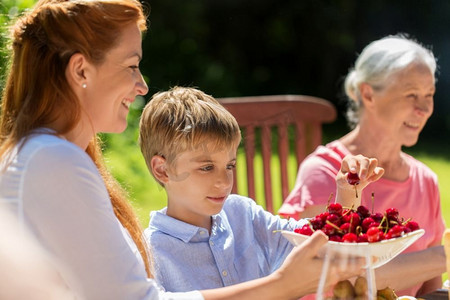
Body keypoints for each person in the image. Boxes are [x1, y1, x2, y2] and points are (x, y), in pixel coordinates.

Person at [0, 0, 359, 299]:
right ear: (81, 70)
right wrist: (282, 286)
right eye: (131, 65)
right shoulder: (52, 161)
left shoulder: (45, 156)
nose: (141, 85)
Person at [138, 86, 381, 296]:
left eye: (230, 165)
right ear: (163, 170)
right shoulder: (150, 253)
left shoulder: (242, 214)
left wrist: (347, 192)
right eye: (207, 167)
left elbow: (316, 240)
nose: (224, 181)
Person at [278, 34, 446, 297]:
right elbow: (342, 277)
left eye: (429, 95)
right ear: (368, 94)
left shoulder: (425, 180)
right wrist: (443, 256)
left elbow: (431, 287)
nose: (424, 108)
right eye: (411, 94)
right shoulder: (326, 171)